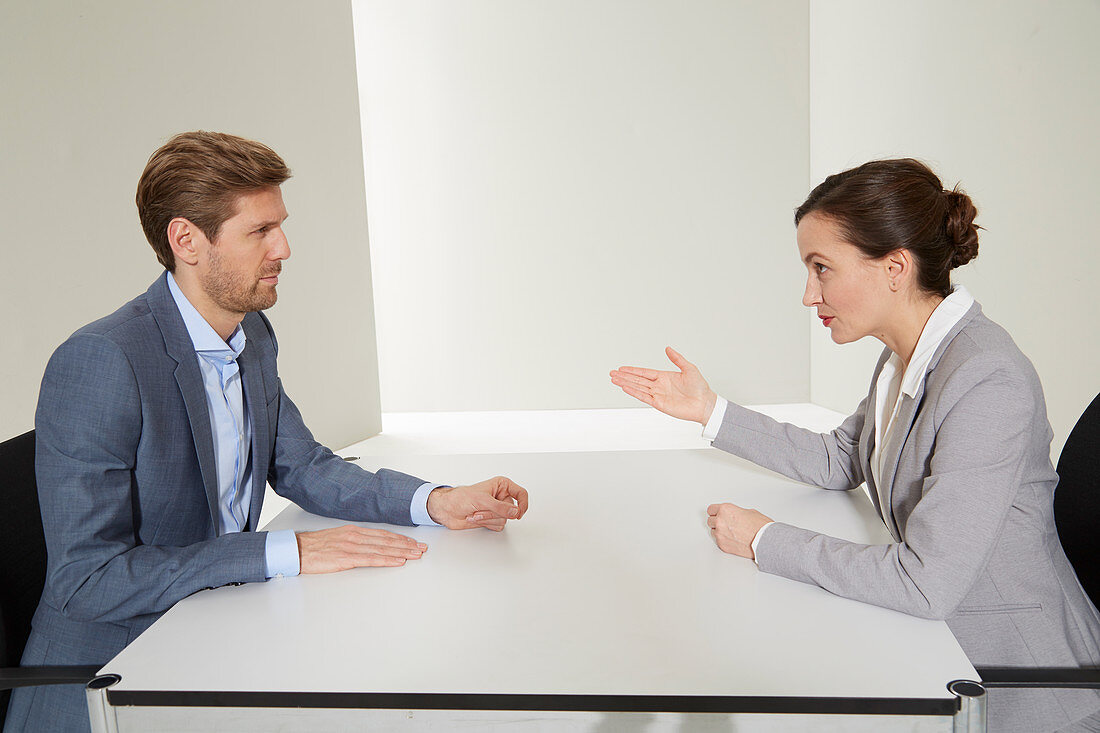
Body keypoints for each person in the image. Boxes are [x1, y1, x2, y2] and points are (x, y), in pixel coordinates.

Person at [5, 131, 529, 733]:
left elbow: (304, 465)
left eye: (279, 224)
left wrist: (434, 501)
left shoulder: (251, 334)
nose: (284, 247)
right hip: (112, 676)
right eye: (259, 231)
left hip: (217, 630)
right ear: (186, 240)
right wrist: (285, 552)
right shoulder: (103, 360)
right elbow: (87, 581)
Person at [610, 159, 1100, 732]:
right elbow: (843, 458)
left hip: (1031, 690)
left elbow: (925, 582)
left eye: (821, 268)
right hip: (944, 656)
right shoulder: (907, 355)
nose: (808, 294)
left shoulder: (987, 377)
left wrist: (765, 539)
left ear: (895, 267)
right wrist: (709, 411)